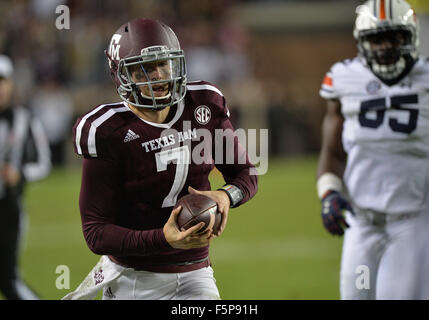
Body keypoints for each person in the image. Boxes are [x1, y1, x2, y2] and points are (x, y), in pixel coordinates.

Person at [64, 18, 258, 300]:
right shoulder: (106, 129)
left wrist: (226, 196)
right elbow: (96, 232)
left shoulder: (204, 103)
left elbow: (245, 173)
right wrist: (163, 238)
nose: (158, 75)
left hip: (196, 273)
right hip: (133, 279)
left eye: (163, 64)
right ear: (122, 75)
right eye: (144, 69)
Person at [317, 0, 429, 299]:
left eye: (394, 37)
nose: (384, 47)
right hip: (361, 221)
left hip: (413, 220)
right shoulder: (343, 78)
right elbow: (333, 151)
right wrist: (329, 192)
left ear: (411, 37)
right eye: (376, 39)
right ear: (361, 42)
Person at [0, 54, 51, 300]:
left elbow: (43, 164)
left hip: (8, 209)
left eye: (2, 81)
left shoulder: (24, 120)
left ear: (11, 84)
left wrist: (19, 174)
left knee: (8, 279)